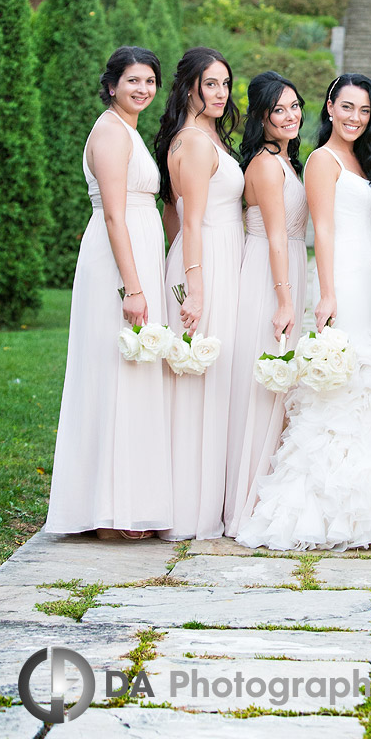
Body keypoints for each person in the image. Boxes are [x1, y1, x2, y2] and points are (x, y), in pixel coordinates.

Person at [236, 73, 371, 551]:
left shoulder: (362, 161)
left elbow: (370, 226)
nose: (355, 117)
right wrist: (326, 292)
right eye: (346, 107)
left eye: (365, 110)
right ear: (329, 107)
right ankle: (327, 510)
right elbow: (323, 231)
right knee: (344, 385)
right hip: (344, 284)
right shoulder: (321, 160)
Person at [46, 46, 172, 539]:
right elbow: (115, 215)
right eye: (133, 81)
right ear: (113, 83)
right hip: (121, 264)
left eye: (149, 81)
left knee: (131, 375)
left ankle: (124, 502)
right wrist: (134, 286)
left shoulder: (128, 131)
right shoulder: (109, 133)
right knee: (115, 374)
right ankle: (109, 513)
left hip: (131, 253)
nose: (142, 89)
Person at [154, 47, 244, 541]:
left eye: (225, 84)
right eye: (211, 84)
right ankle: (188, 508)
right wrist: (194, 285)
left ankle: (211, 499)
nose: (221, 93)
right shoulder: (191, 141)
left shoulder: (209, 136)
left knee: (216, 385)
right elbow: (187, 220)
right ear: (189, 86)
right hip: (205, 262)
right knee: (195, 387)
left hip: (220, 259)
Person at [225, 72, 308, 537]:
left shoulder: (286, 161)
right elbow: (276, 236)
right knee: (266, 380)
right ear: (261, 117)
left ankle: (269, 491)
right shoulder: (263, 164)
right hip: (269, 275)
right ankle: (249, 501)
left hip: (287, 266)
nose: (291, 115)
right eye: (279, 109)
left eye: (295, 106)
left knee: (282, 381)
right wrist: (284, 299)